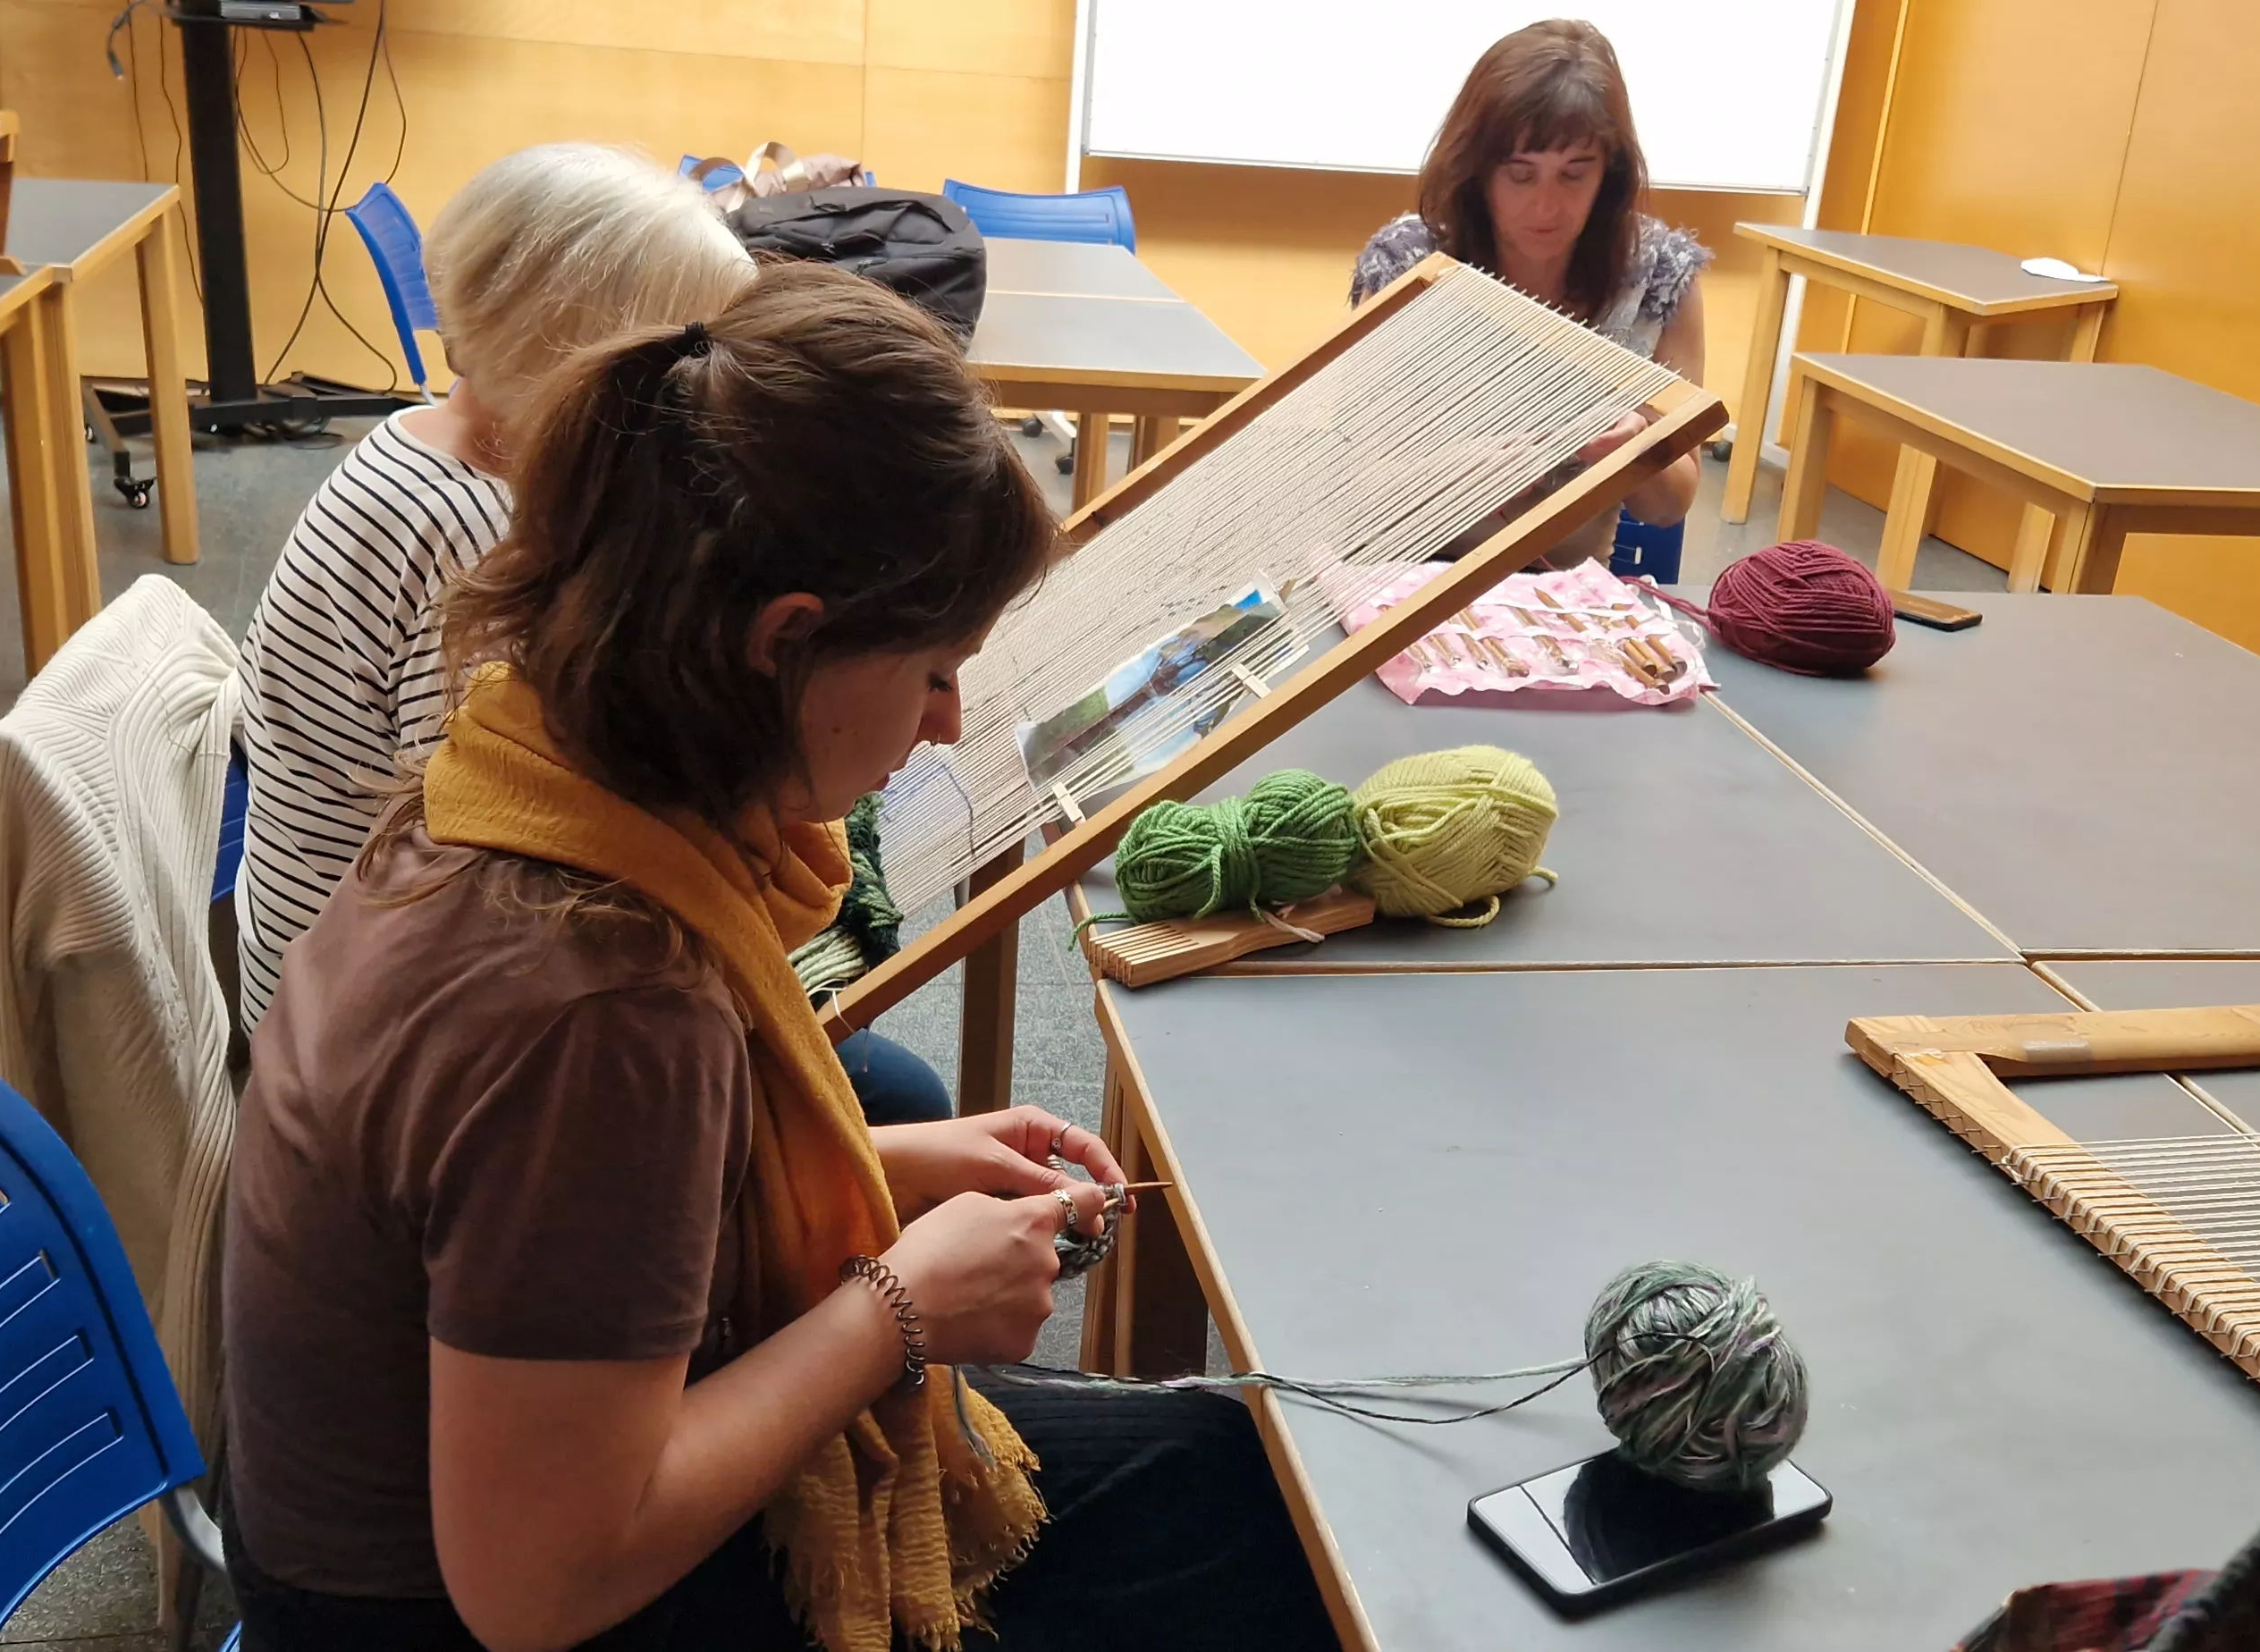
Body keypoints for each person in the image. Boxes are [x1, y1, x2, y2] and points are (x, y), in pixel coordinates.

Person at [220, 263, 1339, 1652]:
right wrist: (897, 1310)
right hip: (430, 1619)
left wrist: (864, 1170)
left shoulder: (536, 759)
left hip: (429, 1531)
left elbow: (536, 1228)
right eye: (933, 668)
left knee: (1212, 1482)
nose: (945, 721)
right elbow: (537, 1586)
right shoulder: (603, 1004)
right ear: (786, 643)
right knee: (1241, 1527)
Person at [230, 143, 952, 1123]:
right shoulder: (482, 537)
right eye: (683, 368)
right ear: (592, 373)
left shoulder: (423, 441)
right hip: (375, 1037)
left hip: (334, 962)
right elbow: (498, 836)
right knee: (886, 1093)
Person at [1352, 20, 1707, 561]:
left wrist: (1634, 444)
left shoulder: (1661, 276)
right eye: (1520, 174)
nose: (1545, 206)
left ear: (1608, 172)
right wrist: (1463, 470)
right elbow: (1355, 482)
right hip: (1402, 582)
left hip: (1558, 604)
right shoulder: (1408, 267)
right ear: (1478, 169)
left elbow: (1669, 506)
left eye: (1573, 174)